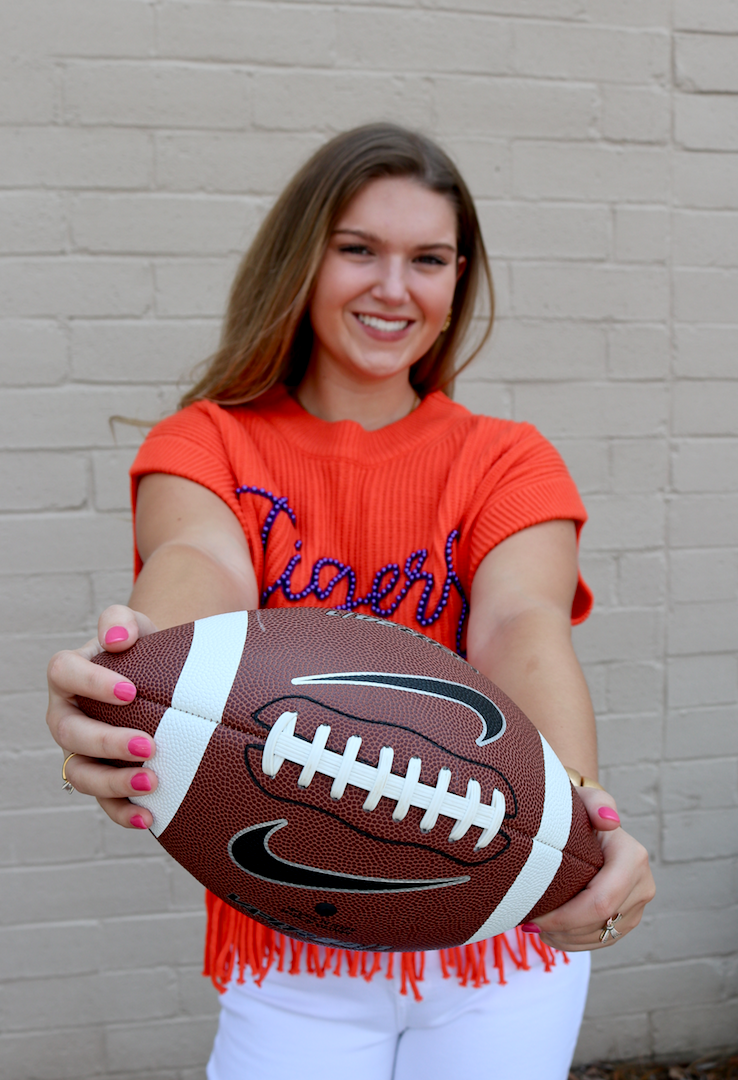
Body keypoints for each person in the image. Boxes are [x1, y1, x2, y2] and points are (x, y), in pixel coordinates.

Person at [46, 123, 654, 1080]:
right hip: (294, 954)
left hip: (500, 941)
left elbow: (519, 625)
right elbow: (199, 559)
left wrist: (579, 817)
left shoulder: (506, 458)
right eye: (358, 249)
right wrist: (131, 675)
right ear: (302, 260)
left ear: (457, 287)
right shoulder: (207, 443)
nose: (392, 287)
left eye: (429, 259)